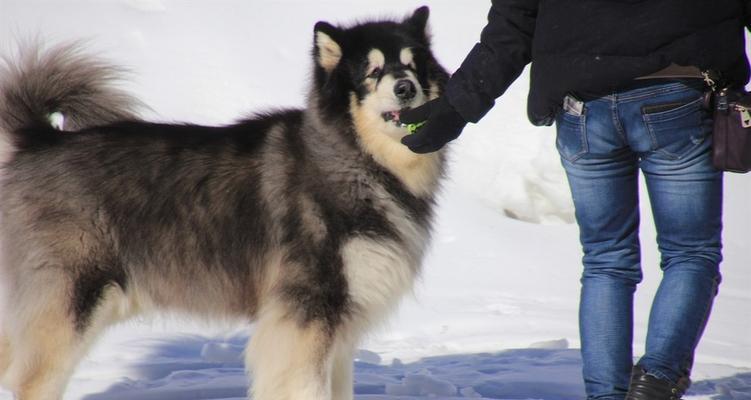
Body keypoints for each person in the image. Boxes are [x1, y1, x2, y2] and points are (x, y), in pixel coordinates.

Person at [399, 2, 751, 400]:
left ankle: (608, 394)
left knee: (606, 260)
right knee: (690, 253)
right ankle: (656, 381)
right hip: (676, 93)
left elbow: (513, 24)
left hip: (582, 105)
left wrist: (456, 108)